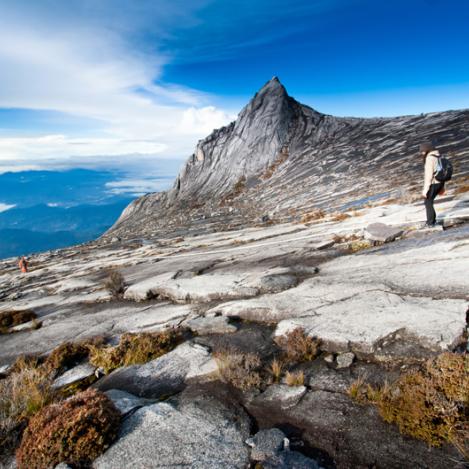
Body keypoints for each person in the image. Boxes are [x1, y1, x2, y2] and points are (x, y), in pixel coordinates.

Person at [420, 142, 445, 227]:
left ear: (427, 150)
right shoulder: (439, 156)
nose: (422, 153)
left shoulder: (430, 158)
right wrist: (442, 187)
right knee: (430, 202)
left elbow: (429, 176)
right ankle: (432, 221)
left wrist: (425, 190)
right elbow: (442, 171)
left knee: (428, 202)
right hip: (440, 182)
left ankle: (430, 223)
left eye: (423, 151)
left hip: (434, 183)